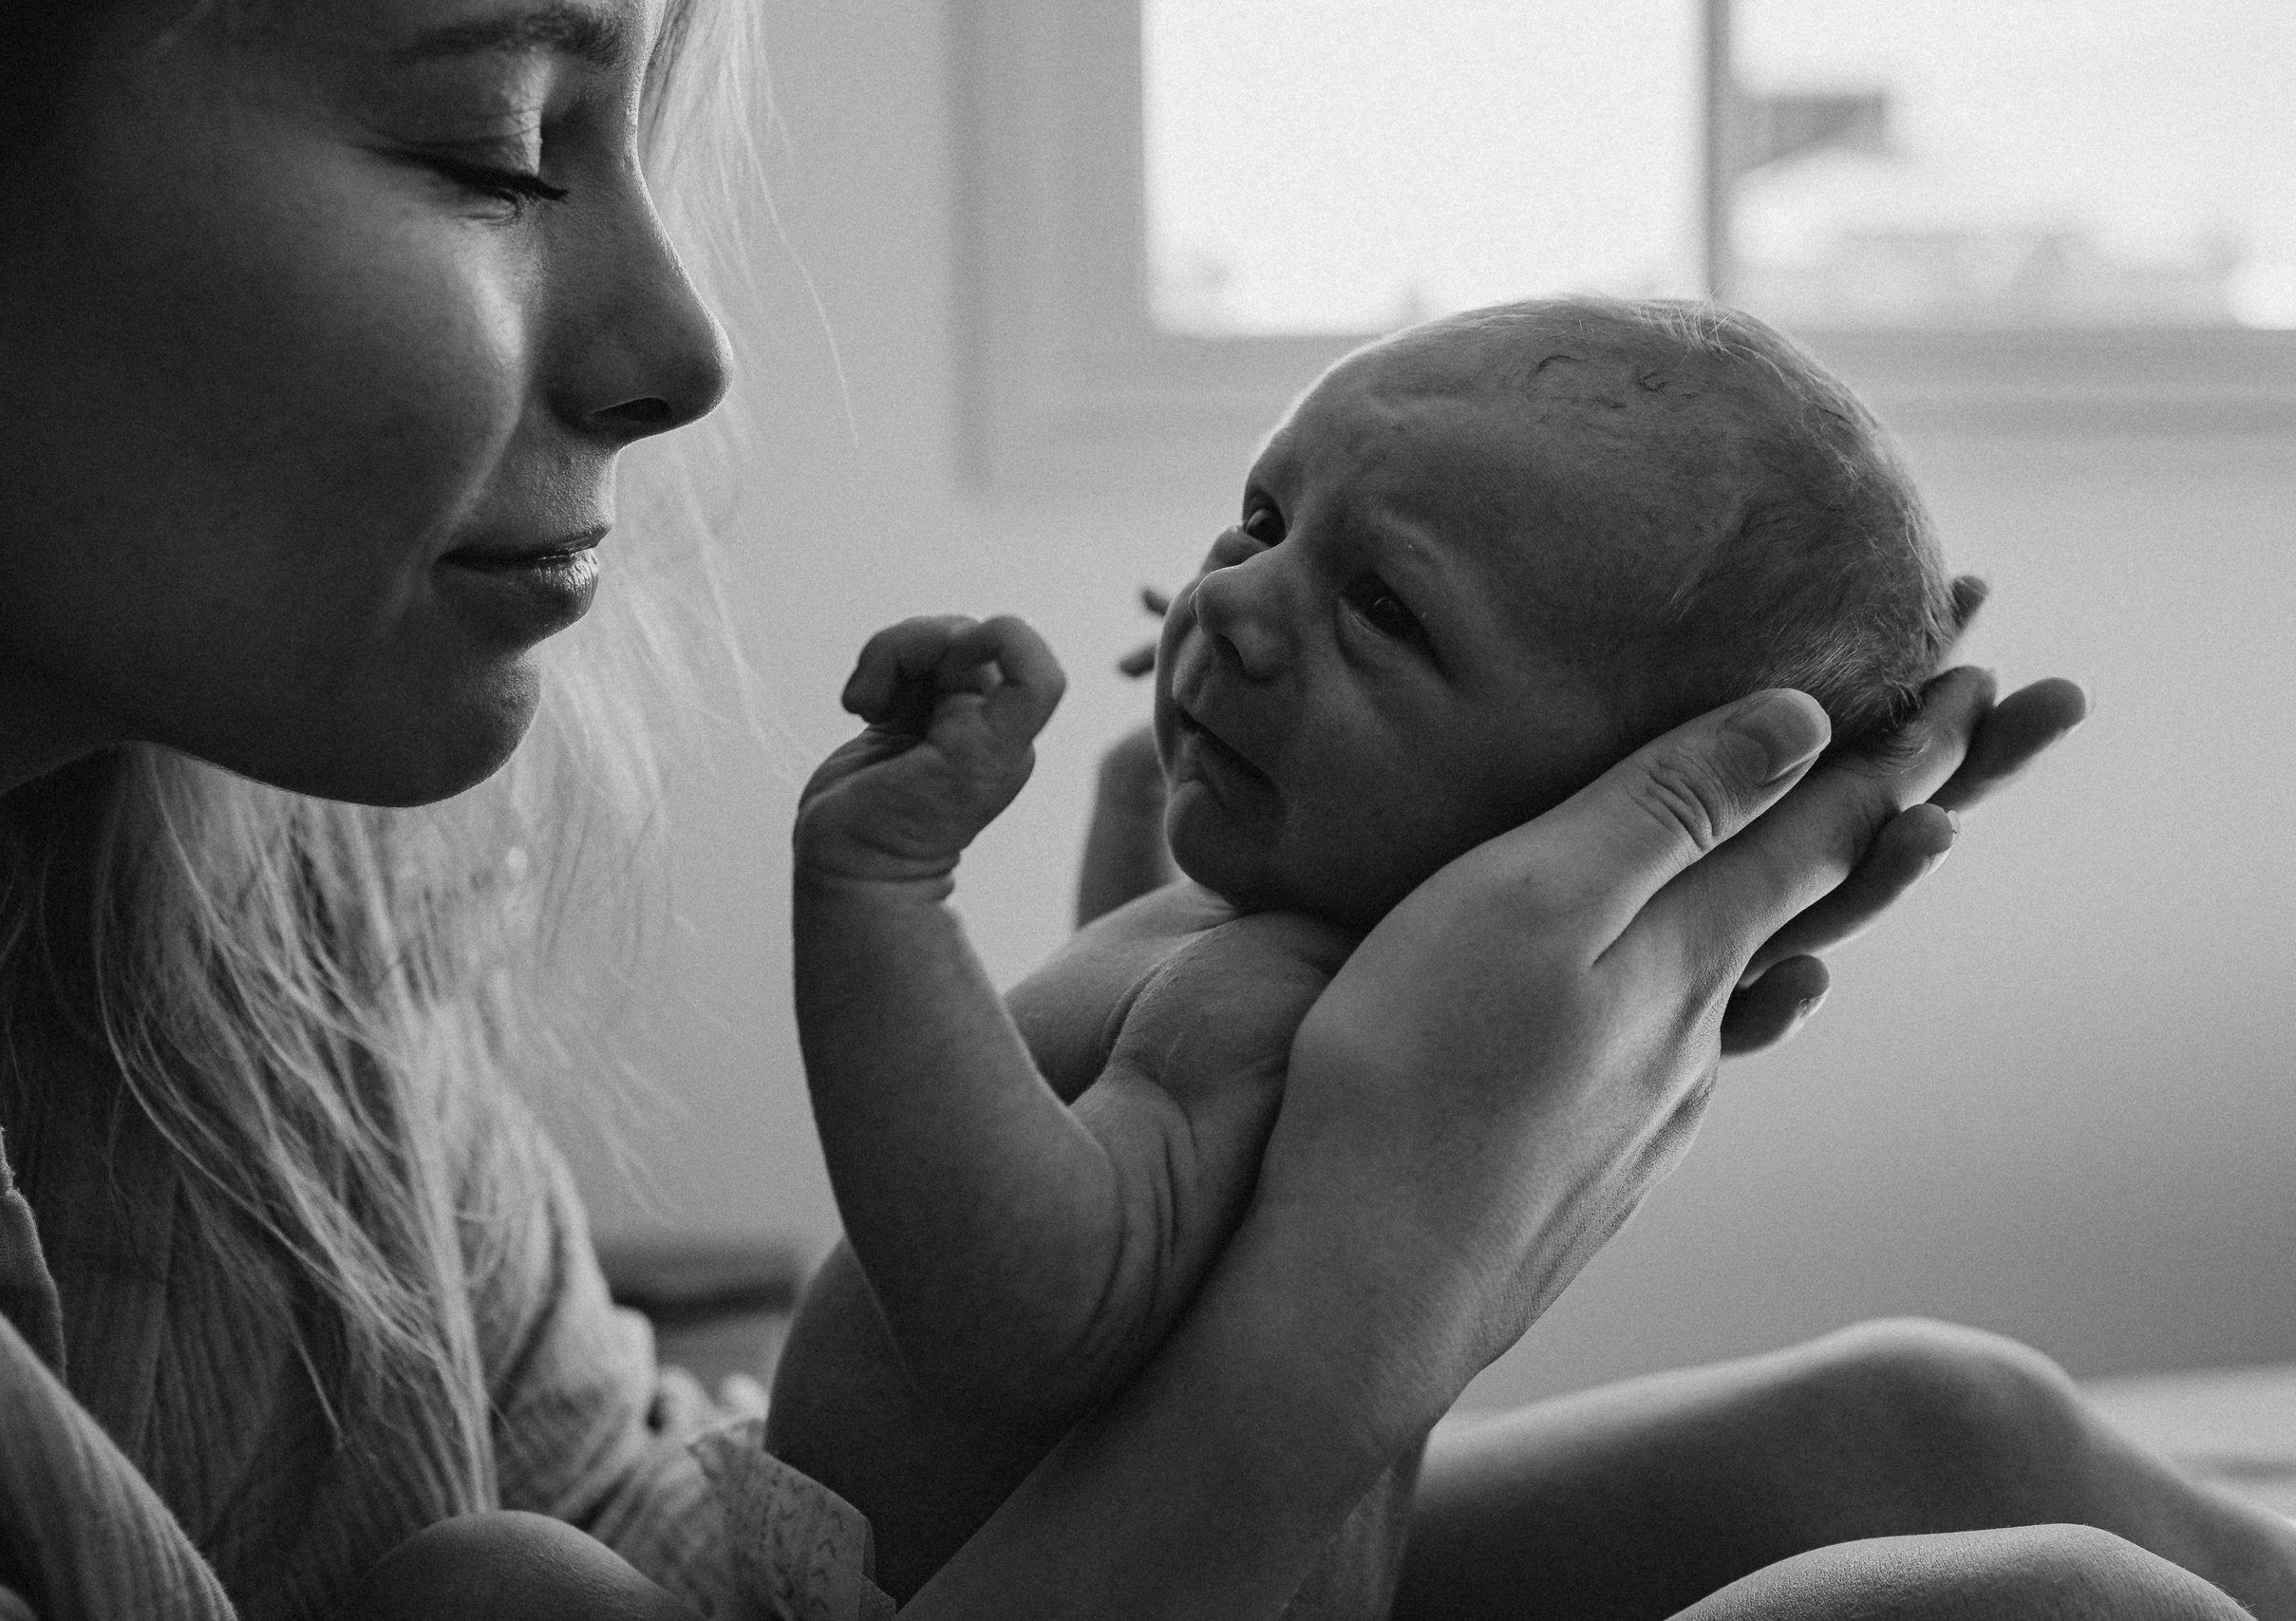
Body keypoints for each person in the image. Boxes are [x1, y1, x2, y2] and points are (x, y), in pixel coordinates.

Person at [0, 0, 2246, 1617]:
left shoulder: (232, 936)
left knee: (1929, 1428)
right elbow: (1006, 1293)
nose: (687, 347)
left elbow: (856, 1383)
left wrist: (975, 932)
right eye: (490, 138)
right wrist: (1364, 1313)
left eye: (1389, 615)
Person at [771, 298, 2296, 1613]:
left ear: (1604, 813)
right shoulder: (1256, 962)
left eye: (1381, 603)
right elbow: (1119, 1130)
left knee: (1969, 1454)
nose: (1231, 598)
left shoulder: (1268, 1003)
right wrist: (1266, 692)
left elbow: (1021, 1313)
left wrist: (880, 893)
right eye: (1263, 519)